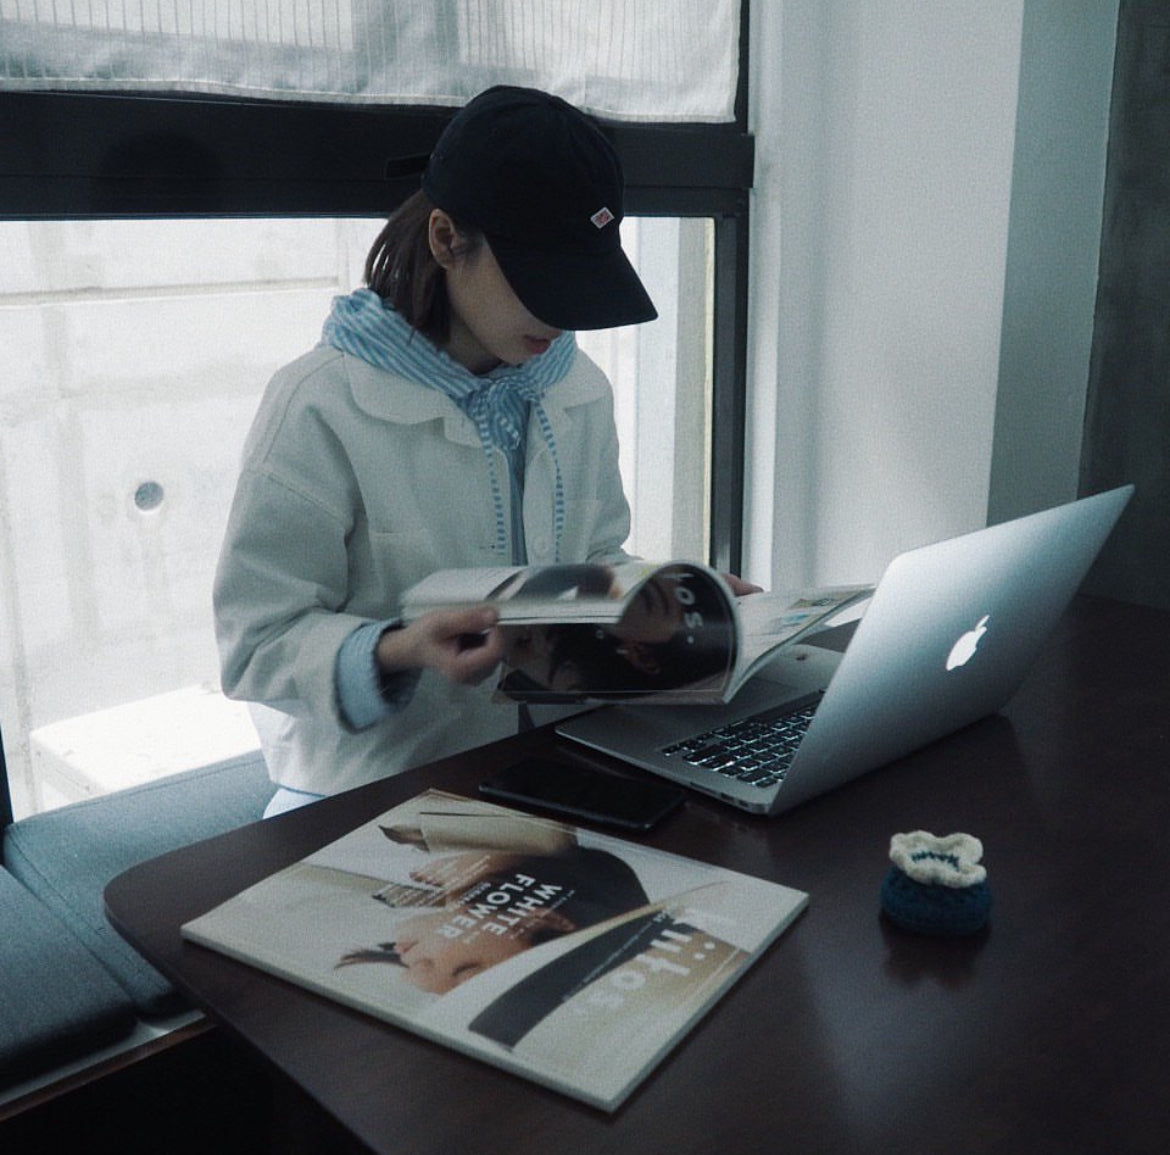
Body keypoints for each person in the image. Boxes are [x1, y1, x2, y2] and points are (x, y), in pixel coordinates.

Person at [214, 85, 756, 817]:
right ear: (445, 238)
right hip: (373, 790)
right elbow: (256, 643)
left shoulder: (576, 388)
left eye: (579, 284)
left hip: (557, 764)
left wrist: (674, 599)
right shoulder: (319, 403)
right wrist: (400, 648)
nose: (561, 318)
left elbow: (594, 561)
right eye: (543, 282)